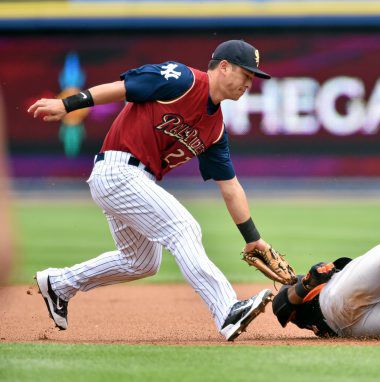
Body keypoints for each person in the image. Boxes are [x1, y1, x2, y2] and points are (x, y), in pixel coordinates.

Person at [27, 39, 275, 341]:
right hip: (118, 170)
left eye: (253, 77)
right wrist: (67, 104)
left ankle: (59, 283)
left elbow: (231, 187)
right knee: (183, 228)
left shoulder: (216, 128)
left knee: (141, 261)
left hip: (134, 180)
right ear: (224, 67)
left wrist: (253, 239)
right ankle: (227, 311)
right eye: (246, 74)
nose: (250, 82)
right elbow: (124, 87)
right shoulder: (183, 79)